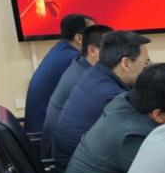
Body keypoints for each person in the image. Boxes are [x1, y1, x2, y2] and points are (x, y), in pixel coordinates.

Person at [52, 30, 151, 170]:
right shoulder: (113, 97)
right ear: (126, 63)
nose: (148, 69)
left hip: (70, 164)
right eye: (146, 63)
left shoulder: (93, 74)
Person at [41, 23, 113, 159]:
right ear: (92, 51)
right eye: (110, 49)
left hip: (56, 148)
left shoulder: (79, 64)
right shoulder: (86, 79)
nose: (117, 54)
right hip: (63, 157)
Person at [24, 13, 93, 133]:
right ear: (79, 38)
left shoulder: (60, 49)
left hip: (40, 126)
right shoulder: (74, 59)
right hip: (45, 134)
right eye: (93, 34)